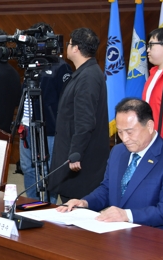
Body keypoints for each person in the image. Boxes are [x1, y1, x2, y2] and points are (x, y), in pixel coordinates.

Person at [57, 98, 163, 234]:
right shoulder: (118, 151)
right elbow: (108, 189)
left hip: (158, 239)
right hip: (120, 235)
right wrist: (85, 203)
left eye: (130, 132)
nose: (124, 139)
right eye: (120, 132)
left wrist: (127, 215)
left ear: (149, 126)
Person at [48, 27, 110, 203]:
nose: (67, 47)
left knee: (75, 210)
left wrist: (75, 153)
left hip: (80, 162)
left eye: (69, 43)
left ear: (75, 48)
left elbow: (85, 121)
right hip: (77, 155)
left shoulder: (88, 77)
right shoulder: (85, 72)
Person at [16, 23, 72, 201]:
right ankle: (32, 202)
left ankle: (49, 205)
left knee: (48, 169)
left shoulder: (61, 67)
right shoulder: (30, 64)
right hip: (26, 127)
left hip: (49, 129)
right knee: (28, 167)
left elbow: (66, 102)